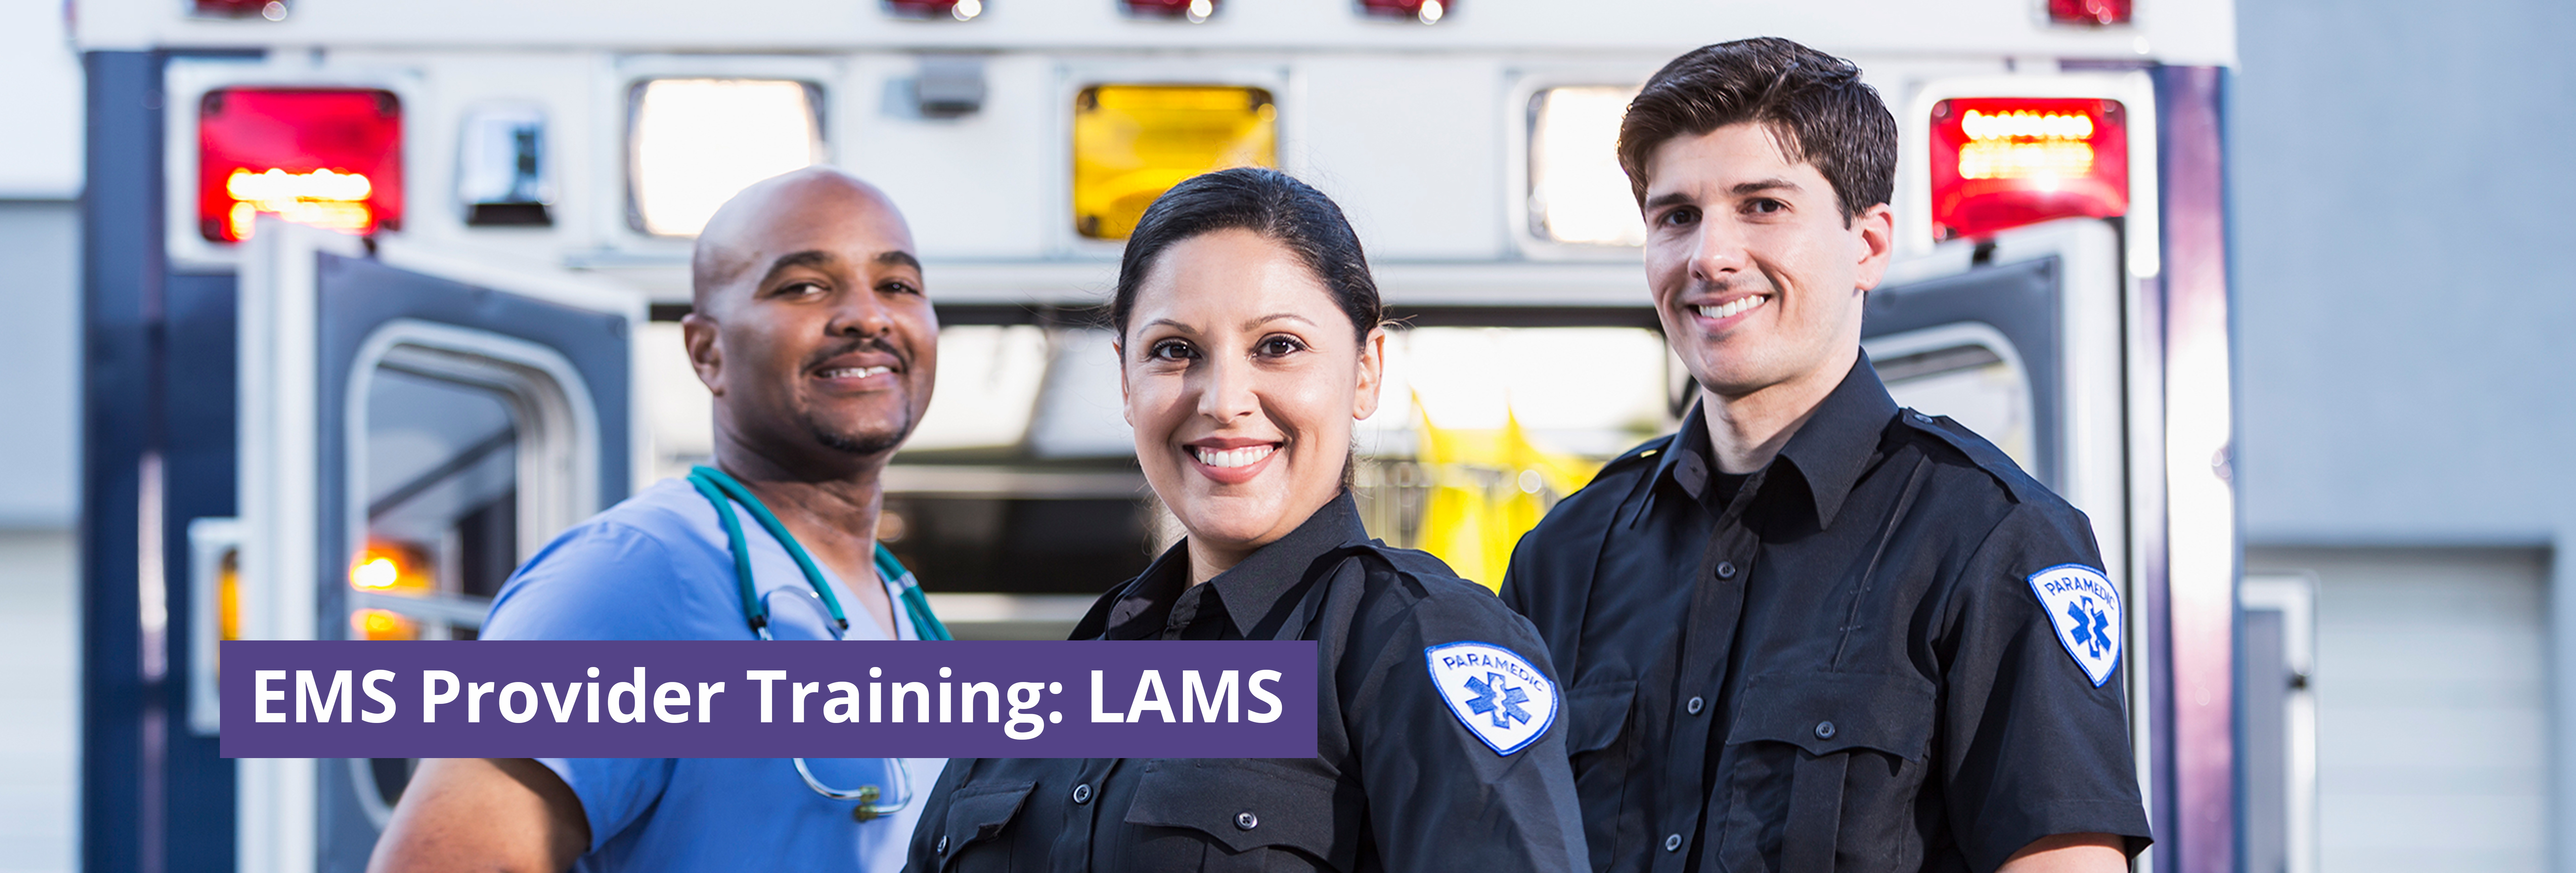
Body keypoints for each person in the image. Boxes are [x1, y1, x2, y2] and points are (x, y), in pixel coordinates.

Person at [1499, 38, 2151, 873]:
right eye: (1676, 217)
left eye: (1762, 205)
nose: (1710, 256)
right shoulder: (1564, 555)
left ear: (1868, 246)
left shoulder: (1993, 540)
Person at [902, 167, 1589, 873]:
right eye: (1174, 351)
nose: (1224, 399)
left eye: (1277, 346)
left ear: (1365, 370)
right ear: (1125, 383)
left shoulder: (1418, 640)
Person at [367, 167, 952, 873]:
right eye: (803, 286)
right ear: (706, 351)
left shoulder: (898, 609)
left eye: (898, 285)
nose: (867, 316)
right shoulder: (633, 578)